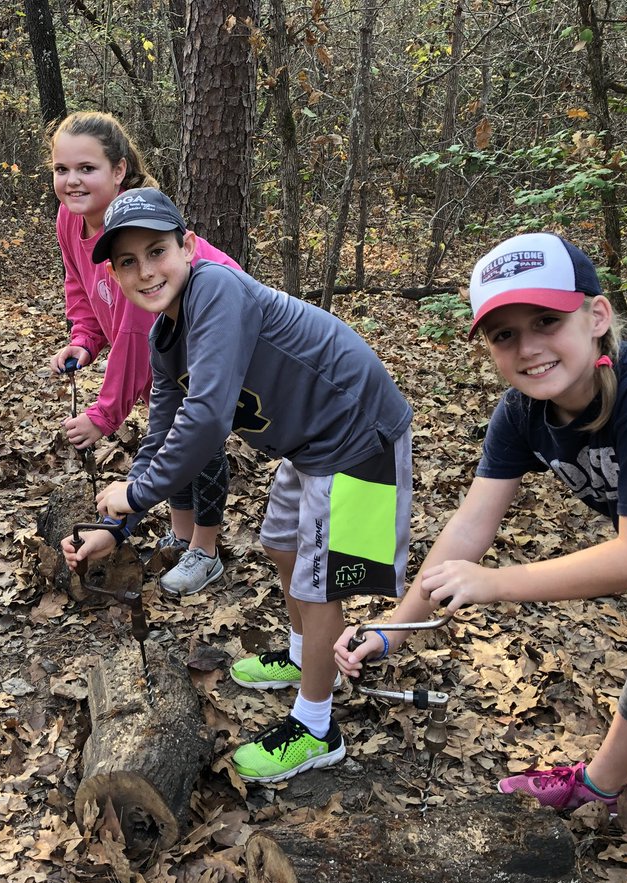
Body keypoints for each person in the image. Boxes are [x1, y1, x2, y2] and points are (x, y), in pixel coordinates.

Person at [334, 232, 627, 883]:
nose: (529, 347)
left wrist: (496, 584)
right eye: (505, 335)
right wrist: (395, 629)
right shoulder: (522, 413)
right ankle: (601, 787)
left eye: (547, 321)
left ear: (596, 316)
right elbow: (470, 527)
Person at [62, 188, 413, 782]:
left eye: (156, 251)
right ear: (115, 276)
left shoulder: (216, 289)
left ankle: (317, 726)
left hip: (359, 434)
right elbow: (162, 435)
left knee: (321, 584)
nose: (145, 271)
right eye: (127, 262)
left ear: (188, 246)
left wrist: (138, 495)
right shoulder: (164, 337)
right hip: (308, 446)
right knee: (280, 544)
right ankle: (304, 657)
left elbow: (206, 419)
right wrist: (115, 528)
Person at [46, 111, 240, 596]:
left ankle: (206, 550)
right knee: (167, 426)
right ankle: (179, 535)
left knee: (198, 437)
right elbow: (82, 286)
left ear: (118, 170)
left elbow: (136, 335)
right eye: (61, 169)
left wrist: (103, 416)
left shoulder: (133, 234)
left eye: (86, 168)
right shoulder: (70, 220)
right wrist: (84, 338)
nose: (72, 181)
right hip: (167, 351)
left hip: (209, 339)